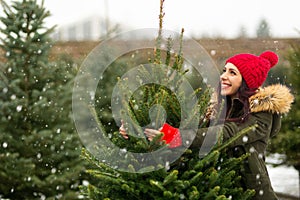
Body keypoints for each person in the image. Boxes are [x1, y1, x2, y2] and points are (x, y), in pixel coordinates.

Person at [119, 51, 294, 199]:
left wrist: (179, 136)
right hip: (215, 190)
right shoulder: (217, 108)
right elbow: (191, 131)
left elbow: (227, 133)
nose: (223, 76)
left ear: (247, 81)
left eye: (233, 73)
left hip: (251, 193)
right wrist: (138, 130)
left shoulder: (262, 114)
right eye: (224, 70)